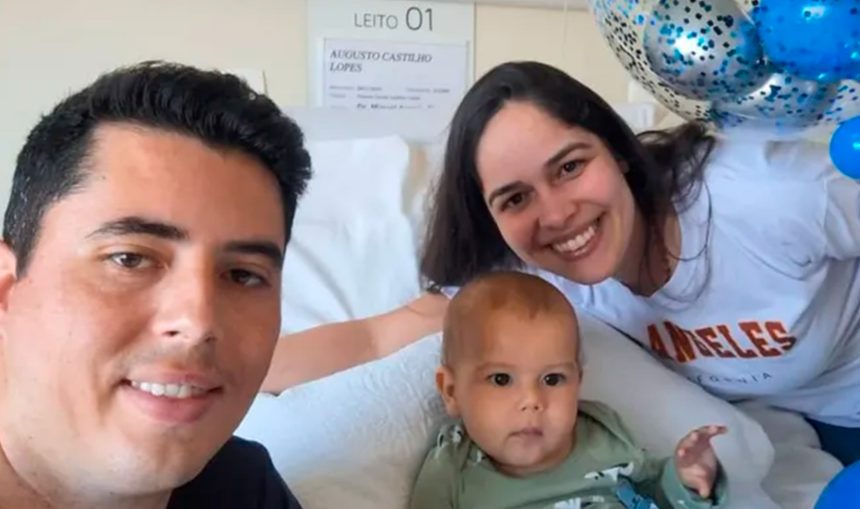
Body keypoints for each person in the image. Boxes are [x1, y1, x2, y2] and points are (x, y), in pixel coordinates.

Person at [262, 61, 860, 467]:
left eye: (570, 167)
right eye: (515, 198)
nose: (557, 215)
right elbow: (377, 338)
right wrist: (229, 368)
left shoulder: (765, 194)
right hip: (791, 426)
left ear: (618, 151)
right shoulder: (532, 284)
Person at [0, 62, 311, 509]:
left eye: (243, 275)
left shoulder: (244, 488)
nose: (198, 322)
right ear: (7, 287)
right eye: (130, 259)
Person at [410, 271, 727, 509]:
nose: (532, 401)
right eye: (501, 379)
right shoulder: (452, 467)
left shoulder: (601, 432)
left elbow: (654, 491)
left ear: (578, 381)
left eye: (552, 379)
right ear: (451, 391)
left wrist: (685, 478)